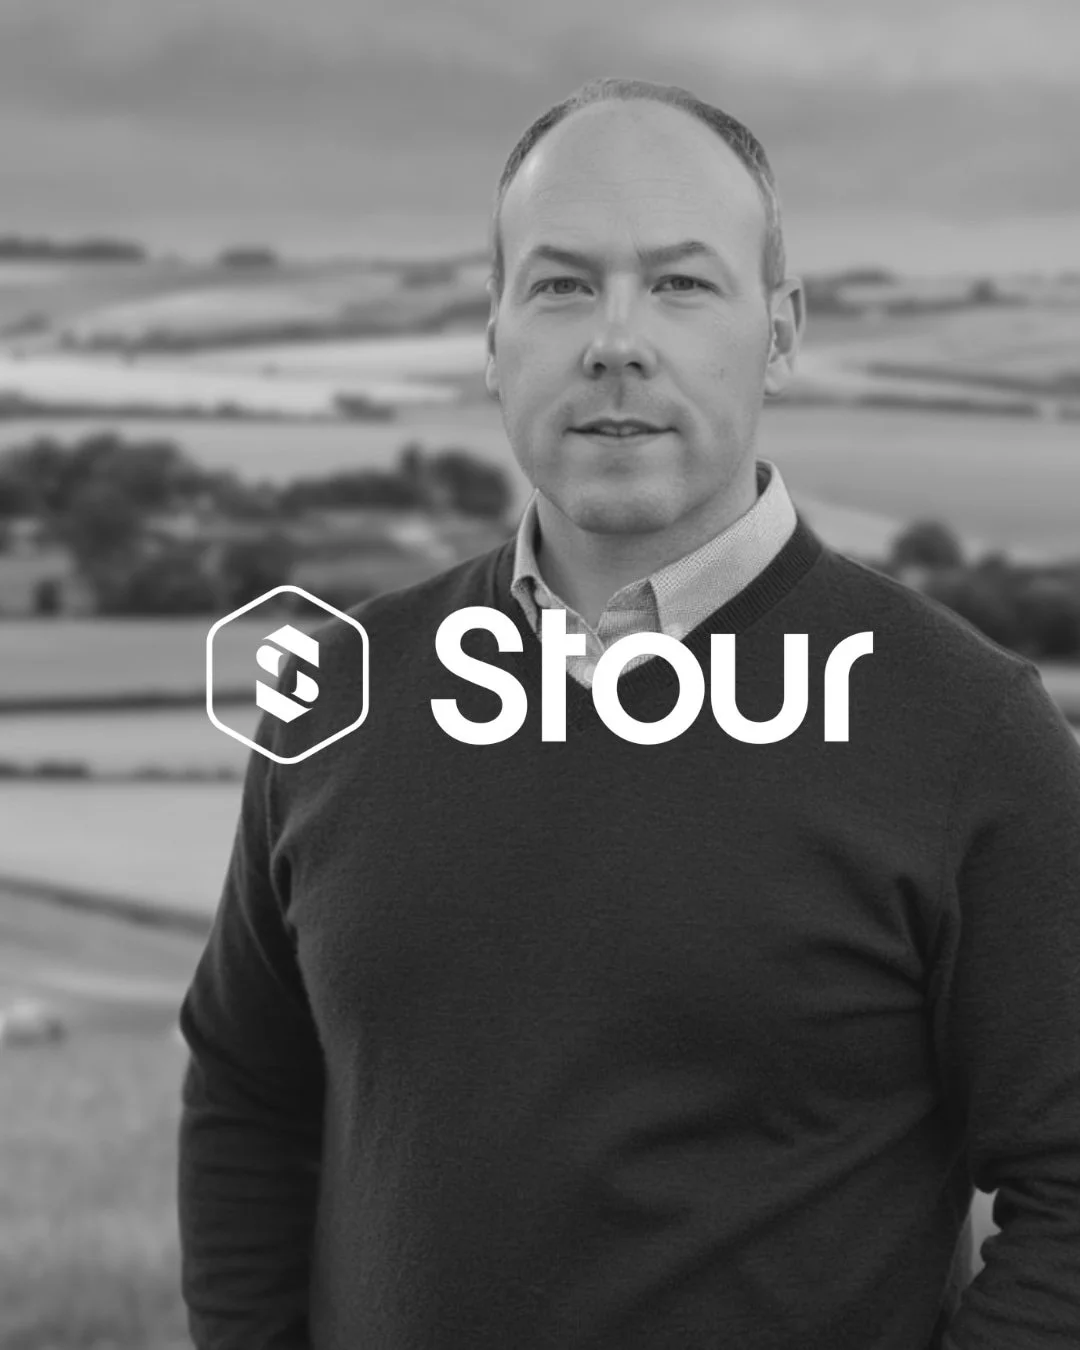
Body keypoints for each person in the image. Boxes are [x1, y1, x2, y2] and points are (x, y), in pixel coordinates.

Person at [177, 76, 1080, 1349]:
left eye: (681, 283)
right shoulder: (335, 695)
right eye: (559, 285)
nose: (616, 339)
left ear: (779, 330)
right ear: (491, 332)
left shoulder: (972, 736)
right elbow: (247, 1091)